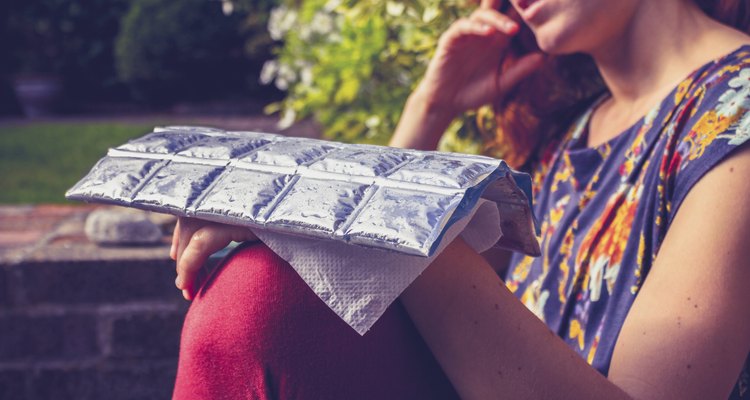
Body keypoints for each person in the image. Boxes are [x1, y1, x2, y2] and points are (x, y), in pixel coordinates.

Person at [170, 0, 750, 398]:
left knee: (258, 296)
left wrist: (369, 209)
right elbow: (387, 302)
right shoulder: (567, 133)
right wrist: (430, 109)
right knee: (260, 289)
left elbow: (413, 270)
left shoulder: (736, 112)